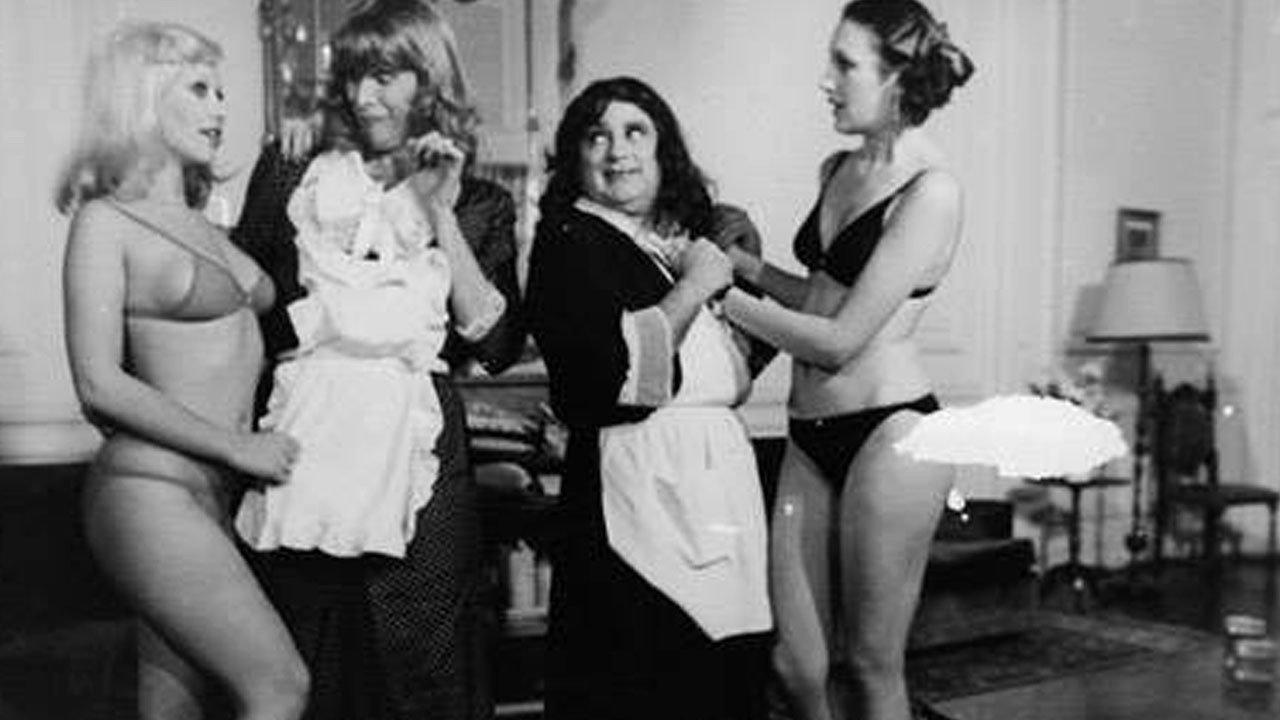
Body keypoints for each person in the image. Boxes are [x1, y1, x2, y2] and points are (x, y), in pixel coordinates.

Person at [230, 1, 525, 718]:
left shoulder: (479, 200)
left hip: (420, 465)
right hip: (307, 447)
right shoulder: (296, 172)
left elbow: (494, 344)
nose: (363, 97)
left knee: (424, 665)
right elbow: (243, 308)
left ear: (430, 79)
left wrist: (439, 211)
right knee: (312, 658)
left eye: (385, 76)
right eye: (354, 76)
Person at [713, 2, 974, 719]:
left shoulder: (932, 191)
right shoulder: (839, 168)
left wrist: (718, 294)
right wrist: (747, 269)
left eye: (844, 64)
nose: (826, 81)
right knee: (796, 668)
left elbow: (838, 340)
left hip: (893, 436)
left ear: (897, 76)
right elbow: (821, 298)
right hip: (810, 434)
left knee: (868, 666)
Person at [56, 21, 309, 720]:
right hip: (148, 494)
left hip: (211, 500)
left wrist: (299, 157)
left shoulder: (212, 225)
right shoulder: (105, 222)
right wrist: (236, 446)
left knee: (172, 712)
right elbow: (97, 384)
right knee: (280, 686)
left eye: (222, 92)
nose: (220, 108)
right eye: (199, 89)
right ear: (142, 95)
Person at [525, 75, 774, 720]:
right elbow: (610, 379)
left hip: (711, 481)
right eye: (596, 136)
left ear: (664, 149)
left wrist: (739, 265)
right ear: (575, 157)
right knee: (649, 681)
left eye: (635, 132)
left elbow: (735, 364)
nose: (617, 151)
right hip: (634, 486)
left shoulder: (662, 243)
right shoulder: (570, 239)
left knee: (719, 675)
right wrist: (693, 287)